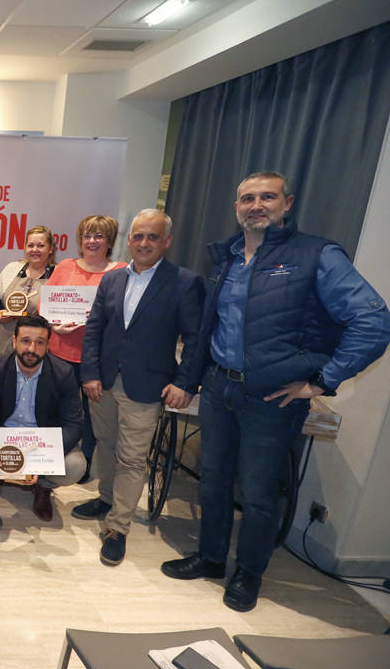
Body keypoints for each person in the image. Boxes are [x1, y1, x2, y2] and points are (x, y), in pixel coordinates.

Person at [161, 171, 390, 611]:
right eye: (247, 198)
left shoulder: (316, 255)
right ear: (236, 208)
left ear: (287, 204)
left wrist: (322, 381)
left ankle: (249, 572)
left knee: (260, 493)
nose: (256, 205)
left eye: (267, 197)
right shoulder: (227, 258)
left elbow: (373, 322)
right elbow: (209, 328)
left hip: (270, 400)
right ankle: (210, 558)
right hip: (218, 389)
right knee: (213, 481)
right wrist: (191, 382)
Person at [75, 210, 205, 566]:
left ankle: (117, 527)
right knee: (106, 443)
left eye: (152, 237)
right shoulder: (113, 280)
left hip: (147, 387)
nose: (144, 243)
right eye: (138, 236)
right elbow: (94, 329)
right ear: (128, 240)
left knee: (132, 458)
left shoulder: (185, 282)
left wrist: (185, 382)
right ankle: (106, 498)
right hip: (103, 381)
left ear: (167, 241)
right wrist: (89, 373)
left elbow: (196, 340)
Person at [0, 314, 85, 521]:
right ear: (14, 341)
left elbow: (74, 425)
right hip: (2, 434)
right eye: (25, 341)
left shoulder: (64, 373)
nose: (31, 349)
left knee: (75, 466)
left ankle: (43, 486)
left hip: (40, 442)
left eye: (39, 342)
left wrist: (40, 463)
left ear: (48, 345)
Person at [45, 215, 126, 480]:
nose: (92, 241)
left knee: (93, 415)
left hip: (98, 358)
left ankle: (88, 460)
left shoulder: (122, 271)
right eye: (87, 235)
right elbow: (46, 306)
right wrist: (53, 325)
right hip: (60, 351)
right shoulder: (65, 266)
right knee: (58, 408)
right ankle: (50, 456)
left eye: (99, 236)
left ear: (110, 240)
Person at [0, 225, 56, 358]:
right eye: (31, 245)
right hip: (5, 340)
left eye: (40, 246)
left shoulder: (57, 274)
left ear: (50, 249)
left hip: (36, 344)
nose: (35, 250)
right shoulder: (12, 269)